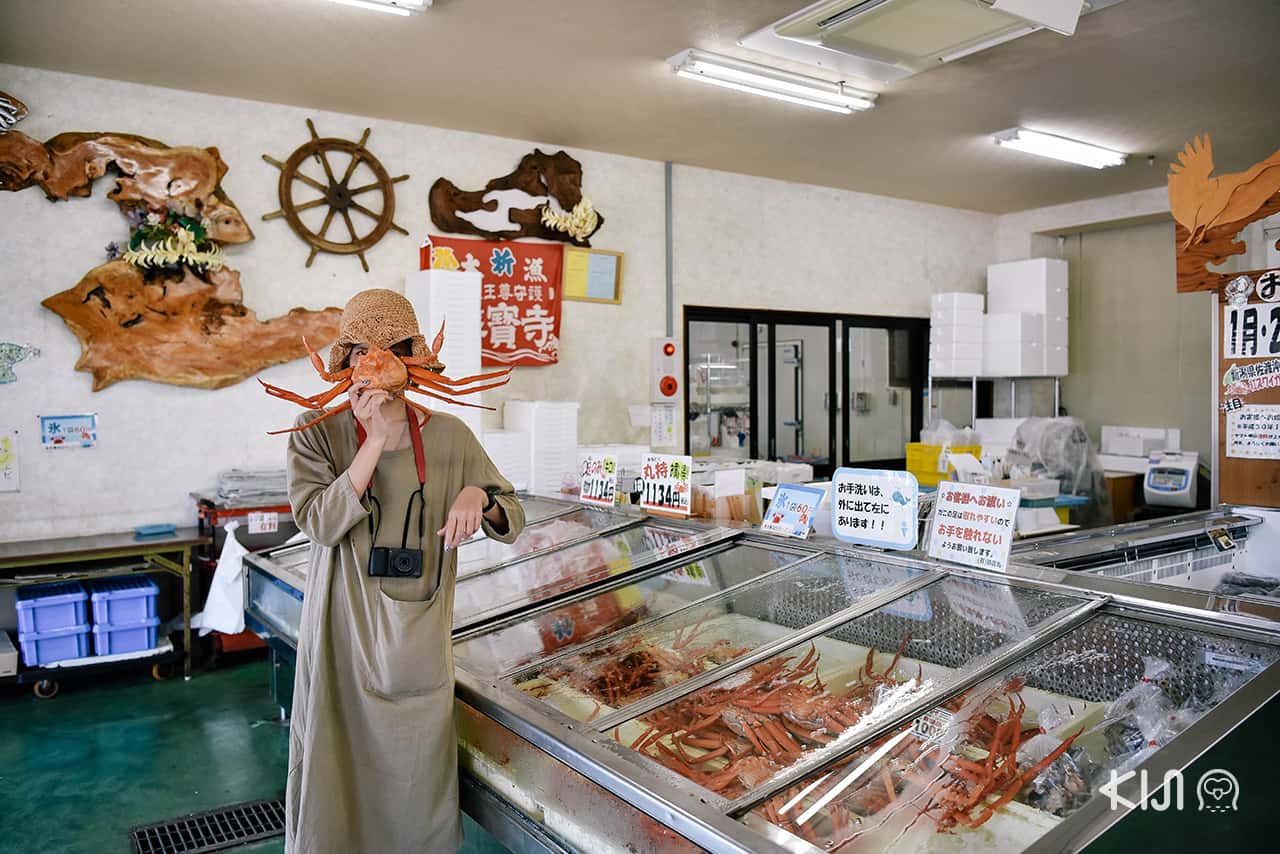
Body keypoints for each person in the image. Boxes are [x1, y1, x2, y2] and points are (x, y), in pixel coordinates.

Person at [283, 289, 525, 852]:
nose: (376, 365)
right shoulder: (315, 428)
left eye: (390, 350)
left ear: (414, 359)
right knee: (336, 773)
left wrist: (476, 496)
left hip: (418, 638)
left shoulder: (450, 434)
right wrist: (372, 444)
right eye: (362, 351)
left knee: (416, 789)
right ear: (343, 362)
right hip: (340, 631)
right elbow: (317, 522)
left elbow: (511, 514)